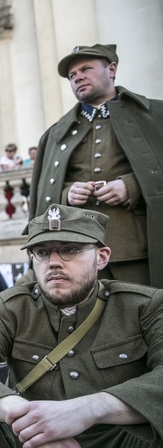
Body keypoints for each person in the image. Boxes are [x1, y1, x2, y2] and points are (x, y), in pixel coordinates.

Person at [0, 203, 163, 448]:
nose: (53, 262)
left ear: (102, 257)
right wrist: (31, 422)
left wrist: (89, 409)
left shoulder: (142, 306)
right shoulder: (14, 309)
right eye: (42, 252)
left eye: (70, 249)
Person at [29, 43, 163, 288]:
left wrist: (130, 186)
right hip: (76, 252)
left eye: (86, 69)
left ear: (111, 69)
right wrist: (68, 192)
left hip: (137, 248)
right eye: (72, 75)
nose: (77, 77)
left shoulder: (155, 116)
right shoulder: (55, 134)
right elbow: (42, 194)